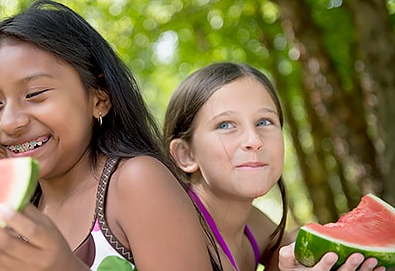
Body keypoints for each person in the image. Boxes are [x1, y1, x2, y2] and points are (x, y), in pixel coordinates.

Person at [0, 0, 216, 271]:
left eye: (35, 94)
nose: (9, 123)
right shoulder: (11, 211)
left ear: (99, 98)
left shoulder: (136, 181)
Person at [162, 62, 386, 271]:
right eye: (226, 125)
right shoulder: (177, 232)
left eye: (264, 122)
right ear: (186, 154)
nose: (254, 140)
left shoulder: (255, 224)